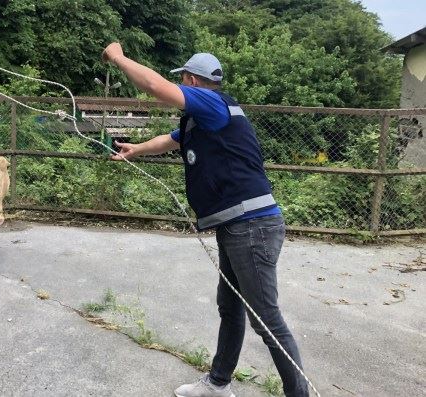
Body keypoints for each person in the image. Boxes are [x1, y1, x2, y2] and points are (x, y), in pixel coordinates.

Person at [101, 42, 309, 397]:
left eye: (182, 79)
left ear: (191, 80)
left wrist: (118, 57)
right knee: (230, 307)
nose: (180, 84)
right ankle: (218, 383)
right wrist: (135, 149)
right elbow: (170, 139)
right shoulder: (203, 121)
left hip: (253, 226)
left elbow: (154, 86)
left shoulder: (213, 103)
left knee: (267, 319)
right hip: (238, 225)